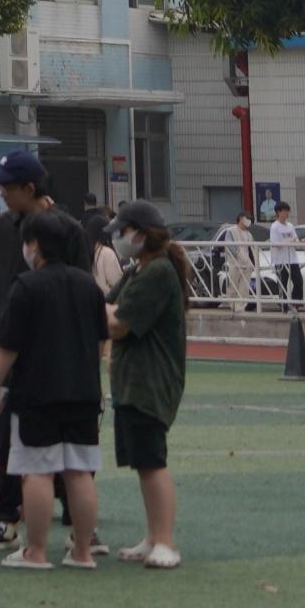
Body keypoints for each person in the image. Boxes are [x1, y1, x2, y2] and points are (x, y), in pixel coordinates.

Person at [0, 208, 107, 569]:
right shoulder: (88, 286)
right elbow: (100, 343)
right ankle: (82, 552)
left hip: (35, 393)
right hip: (83, 392)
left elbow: (9, 347)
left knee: (37, 470)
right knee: (79, 472)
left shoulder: (26, 286)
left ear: (33, 245)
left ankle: (36, 551)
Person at [0, 148, 54, 548]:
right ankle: (4, 516)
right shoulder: (2, 229)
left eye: (7, 186)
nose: (0, 192)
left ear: (30, 187)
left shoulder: (62, 227)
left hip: (51, 348)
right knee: (5, 432)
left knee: (65, 434)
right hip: (9, 345)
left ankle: (77, 519)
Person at [106, 199, 192, 568]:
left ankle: (167, 542)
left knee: (153, 461)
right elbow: (108, 305)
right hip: (132, 381)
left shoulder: (157, 272)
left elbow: (118, 322)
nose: (119, 238)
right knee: (142, 462)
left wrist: (95, 312)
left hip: (151, 382)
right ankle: (153, 536)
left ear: (140, 234)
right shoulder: (139, 269)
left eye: (123, 232)